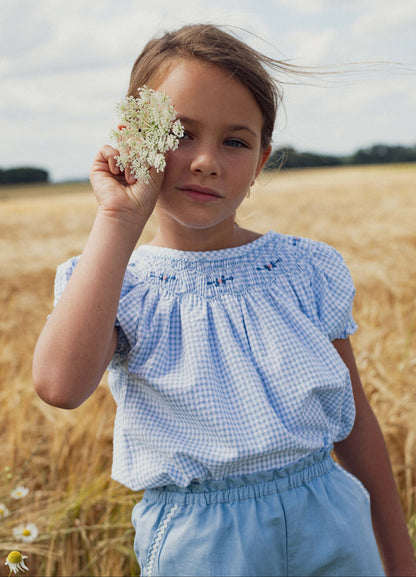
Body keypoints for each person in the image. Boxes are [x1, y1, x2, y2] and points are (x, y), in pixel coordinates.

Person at [32, 24, 415, 577]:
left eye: (235, 141)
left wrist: (399, 561)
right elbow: (59, 386)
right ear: (138, 137)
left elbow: (355, 423)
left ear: (260, 162)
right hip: (201, 543)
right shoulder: (120, 285)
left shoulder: (306, 269)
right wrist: (119, 217)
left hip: (331, 517)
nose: (207, 160)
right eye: (181, 133)